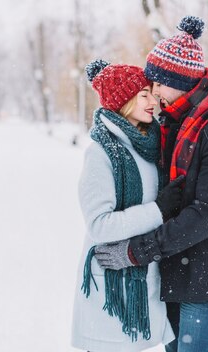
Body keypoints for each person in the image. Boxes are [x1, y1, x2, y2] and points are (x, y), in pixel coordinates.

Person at [94, 16, 208, 352]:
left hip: (207, 280)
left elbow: (204, 214)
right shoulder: (170, 123)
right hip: (172, 273)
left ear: (177, 80)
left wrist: (136, 252)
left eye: (157, 84)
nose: (153, 92)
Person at [71, 59, 183, 352]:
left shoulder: (148, 144)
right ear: (123, 101)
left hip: (143, 276)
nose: (153, 101)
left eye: (151, 92)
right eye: (143, 94)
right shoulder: (101, 154)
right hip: (111, 287)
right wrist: (158, 211)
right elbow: (99, 225)